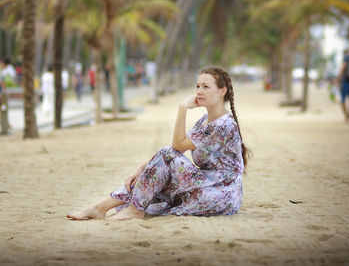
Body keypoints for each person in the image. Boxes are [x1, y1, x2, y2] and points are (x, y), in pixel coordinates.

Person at [66, 66, 249, 221]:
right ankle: (101, 207)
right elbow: (176, 149)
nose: (199, 91)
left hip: (220, 193)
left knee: (165, 159)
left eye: (206, 87)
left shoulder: (223, 125)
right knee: (155, 184)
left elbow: (176, 146)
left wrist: (182, 108)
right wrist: (140, 170)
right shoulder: (205, 121)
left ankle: (134, 210)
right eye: (198, 86)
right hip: (205, 184)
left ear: (222, 91)